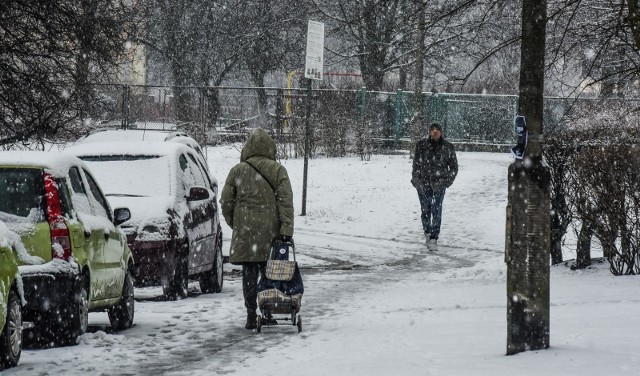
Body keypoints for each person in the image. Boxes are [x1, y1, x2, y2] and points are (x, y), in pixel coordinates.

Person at [220, 128, 294, 329]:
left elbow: (226, 201)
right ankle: (267, 311)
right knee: (270, 273)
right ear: (270, 147)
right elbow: (285, 202)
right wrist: (286, 229)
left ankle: (251, 313)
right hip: (270, 233)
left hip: (246, 232)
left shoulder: (237, 170)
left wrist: (235, 223)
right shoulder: (278, 171)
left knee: (249, 273)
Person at [411, 122, 458, 251]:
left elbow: (454, 166)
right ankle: (427, 231)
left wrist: (447, 181)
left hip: (439, 183)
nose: (435, 131)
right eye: (433, 129)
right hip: (423, 183)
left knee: (436, 210)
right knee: (425, 209)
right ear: (429, 132)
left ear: (441, 132)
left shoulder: (448, 147)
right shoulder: (421, 145)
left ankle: (434, 237)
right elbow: (416, 164)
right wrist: (416, 179)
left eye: (437, 129)